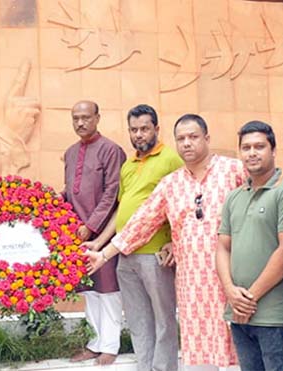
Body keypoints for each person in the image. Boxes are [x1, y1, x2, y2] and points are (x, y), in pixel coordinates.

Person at [86, 114, 245, 370]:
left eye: (193, 137)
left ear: (207, 138)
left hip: (232, 275)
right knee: (201, 353)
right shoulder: (171, 184)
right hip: (192, 283)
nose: (186, 144)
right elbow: (141, 222)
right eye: (181, 138)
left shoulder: (233, 170)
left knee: (244, 345)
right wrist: (104, 254)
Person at [82, 104, 183, 371]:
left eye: (144, 129)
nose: (139, 135)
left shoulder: (171, 159)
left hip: (154, 253)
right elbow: (121, 208)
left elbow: (180, 203)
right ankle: (145, 365)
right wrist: (99, 242)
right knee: (138, 318)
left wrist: (174, 240)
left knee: (163, 319)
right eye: (134, 130)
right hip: (124, 254)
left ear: (156, 129)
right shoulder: (128, 164)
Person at [216, 121, 283, 371]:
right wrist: (231, 291)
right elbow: (222, 247)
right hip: (239, 313)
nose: (252, 153)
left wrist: (249, 298)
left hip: (273, 316)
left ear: (273, 151)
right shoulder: (234, 196)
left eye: (259, 146)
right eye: (246, 147)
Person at [63, 100, 126, 365]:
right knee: (89, 291)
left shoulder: (112, 150)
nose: (81, 123)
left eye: (86, 117)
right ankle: (96, 342)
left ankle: (110, 346)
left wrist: (91, 227)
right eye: (76, 118)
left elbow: (113, 192)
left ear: (97, 118)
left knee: (108, 290)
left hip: (104, 235)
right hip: (76, 235)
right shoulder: (70, 152)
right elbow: (70, 191)